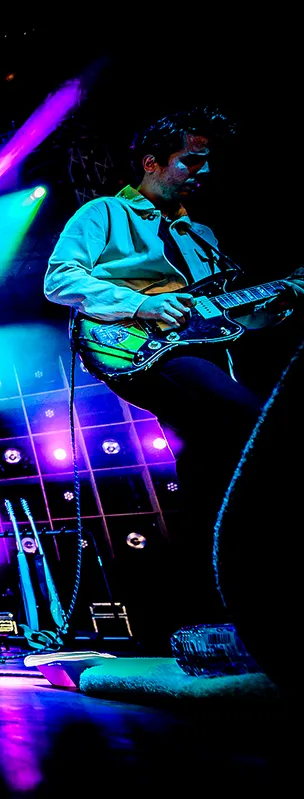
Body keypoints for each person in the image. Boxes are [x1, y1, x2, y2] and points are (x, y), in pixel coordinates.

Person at [44, 106, 303, 646]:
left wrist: (276, 303)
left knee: (212, 475)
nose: (203, 172)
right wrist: (140, 305)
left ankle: (217, 616)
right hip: (135, 347)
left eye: (208, 162)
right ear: (152, 163)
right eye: (191, 161)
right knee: (257, 425)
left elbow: (225, 316)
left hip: (200, 353)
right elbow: (60, 280)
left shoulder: (200, 232)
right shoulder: (103, 214)